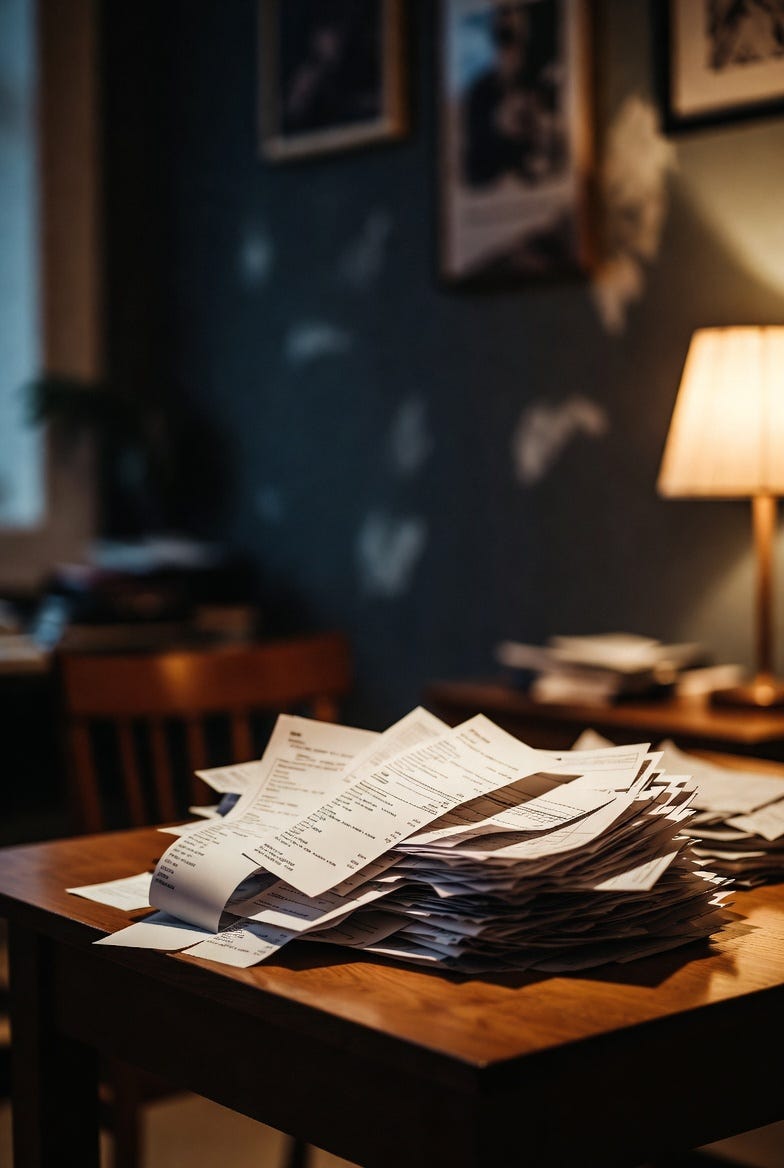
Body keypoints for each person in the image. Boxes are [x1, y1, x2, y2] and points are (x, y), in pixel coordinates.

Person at [462, 2, 564, 188]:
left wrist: (544, 127)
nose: (516, 49)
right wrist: (499, 126)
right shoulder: (480, 93)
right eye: (506, 37)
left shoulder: (548, 82)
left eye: (523, 38)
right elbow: (473, 175)